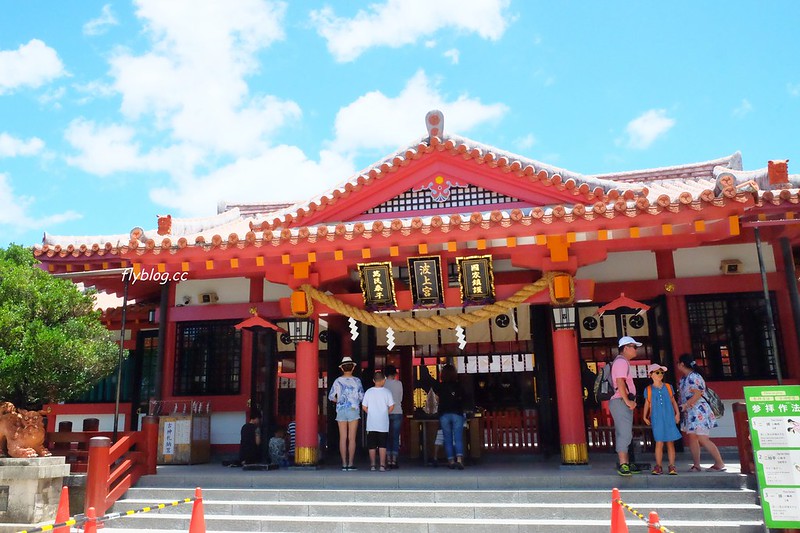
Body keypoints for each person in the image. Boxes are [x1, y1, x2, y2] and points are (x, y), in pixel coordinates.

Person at [677, 353, 726, 472]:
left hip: (699, 410)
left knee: (703, 438)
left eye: (679, 363)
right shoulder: (684, 378)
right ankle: (696, 465)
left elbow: (697, 394)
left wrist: (685, 405)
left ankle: (720, 463)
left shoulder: (694, 377)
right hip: (691, 412)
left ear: (682, 364)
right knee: (693, 438)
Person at [642, 363, 681, 475]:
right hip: (656, 418)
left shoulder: (668, 387)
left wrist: (677, 413)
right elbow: (647, 403)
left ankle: (672, 465)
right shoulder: (648, 389)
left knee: (670, 442)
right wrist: (644, 416)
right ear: (651, 375)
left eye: (661, 372)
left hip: (669, 417)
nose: (660, 375)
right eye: (657, 372)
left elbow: (673, 401)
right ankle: (658, 466)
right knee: (659, 442)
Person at [610, 336, 641, 476]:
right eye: (634, 347)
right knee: (625, 433)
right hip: (621, 401)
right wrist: (628, 401)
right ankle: (623, 464)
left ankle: (626, 463)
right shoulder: (621, 362)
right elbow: (620, 383)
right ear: (626, 347)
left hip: (620, 402)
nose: (636, 350)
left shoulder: (621, 362)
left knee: (623, 432)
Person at [328, 356, 364, 471]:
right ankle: (350, 463)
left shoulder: (338, 381)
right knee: (352, 438)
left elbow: (331, 397)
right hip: (353, 409)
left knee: (342, 437)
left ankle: (344, 463)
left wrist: (339, 401)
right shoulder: (357, 381)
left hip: (341, 410)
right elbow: (361, 396)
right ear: (353, 368)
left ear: (342, 368)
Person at [433, 364, 466, 470]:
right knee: (458, 438)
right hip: (457, 412)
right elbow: (463, 398)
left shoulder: (440, 386)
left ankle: (451, 461)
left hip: (444, 413)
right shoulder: (459, 385)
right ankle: (459, 460)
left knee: (447, 438)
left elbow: (437, 400)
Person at [361, 370, 395, 472]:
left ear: (373, 380)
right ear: (383, 380)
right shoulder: (387, 392)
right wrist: (385, 413)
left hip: (371, 422)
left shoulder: (368, 392)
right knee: (382, 444)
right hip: (383, 422)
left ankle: (372, 465)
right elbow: (392, 406)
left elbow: (364, 407)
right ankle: (382, 465)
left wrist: (370, 412)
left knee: (371, 445)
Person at [383, 364, 404, 469]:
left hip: (385, 412)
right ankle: (394, 460)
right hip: (397, 411)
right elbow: (400, 398)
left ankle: (387, 459)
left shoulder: (383, 384)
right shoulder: (399, 384)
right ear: (395, 373)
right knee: (395, 437)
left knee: (386, 437)